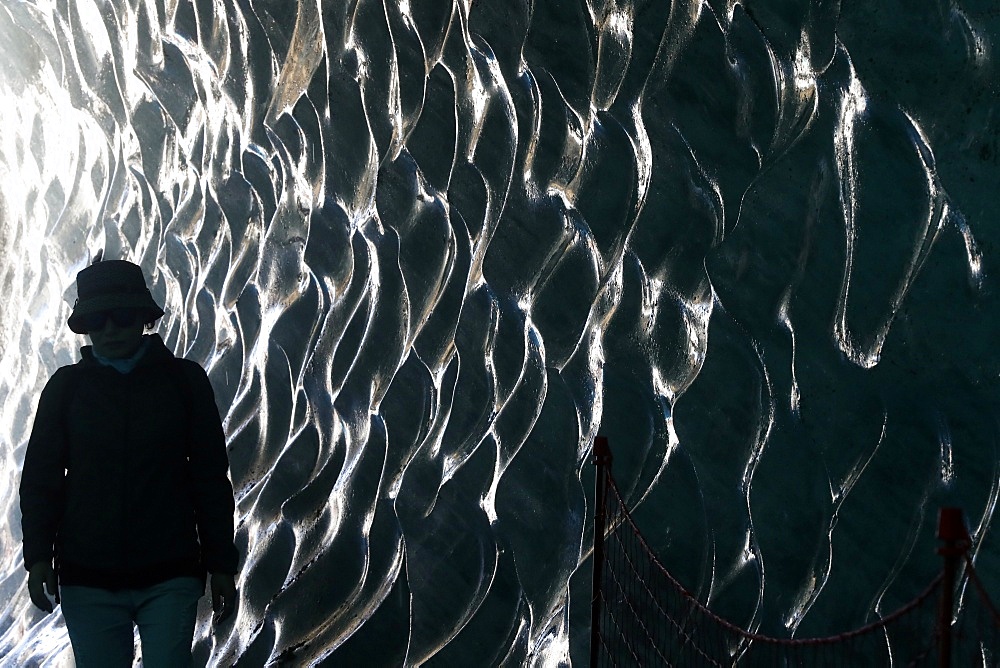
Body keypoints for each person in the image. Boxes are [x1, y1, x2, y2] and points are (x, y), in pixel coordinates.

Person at [19, 259, 240, 667]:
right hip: (87, 578)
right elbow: (40, 481)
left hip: (171, 573)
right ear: (84, 326)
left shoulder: (184, 382)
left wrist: (221, 563)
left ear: (142, 316)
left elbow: (210, 477)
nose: (109, 329)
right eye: (96, 319)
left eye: (121, 315)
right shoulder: (66, 389)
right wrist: (37, 558)